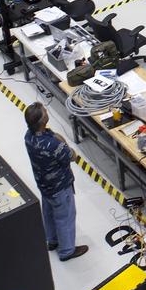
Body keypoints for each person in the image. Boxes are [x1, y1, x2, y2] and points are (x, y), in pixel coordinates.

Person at [24, 103, 88, 261]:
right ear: (43, 119)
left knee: (49, 212)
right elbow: (72, 156)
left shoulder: (28, 136)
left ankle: (52, 241)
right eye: (45, 111)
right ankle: (67, 251)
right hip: (60, 187)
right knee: (65, 217)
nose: (47, 111)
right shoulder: (53, 145)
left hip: (44, 185)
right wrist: (63, 142)